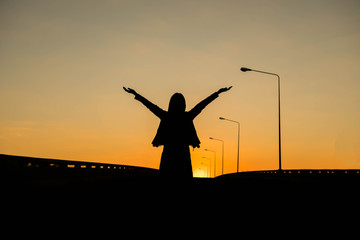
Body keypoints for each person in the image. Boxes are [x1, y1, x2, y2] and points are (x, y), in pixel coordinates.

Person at [123, 86, 232, 179]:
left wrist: (136, 94)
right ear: (183, 104)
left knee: (167, 177)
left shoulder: (166, 116)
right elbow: (202, 104)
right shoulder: (187, 117)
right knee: (184, 178)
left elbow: (150, 105)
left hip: (168, 152)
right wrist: (217, 93)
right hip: (183, 153)